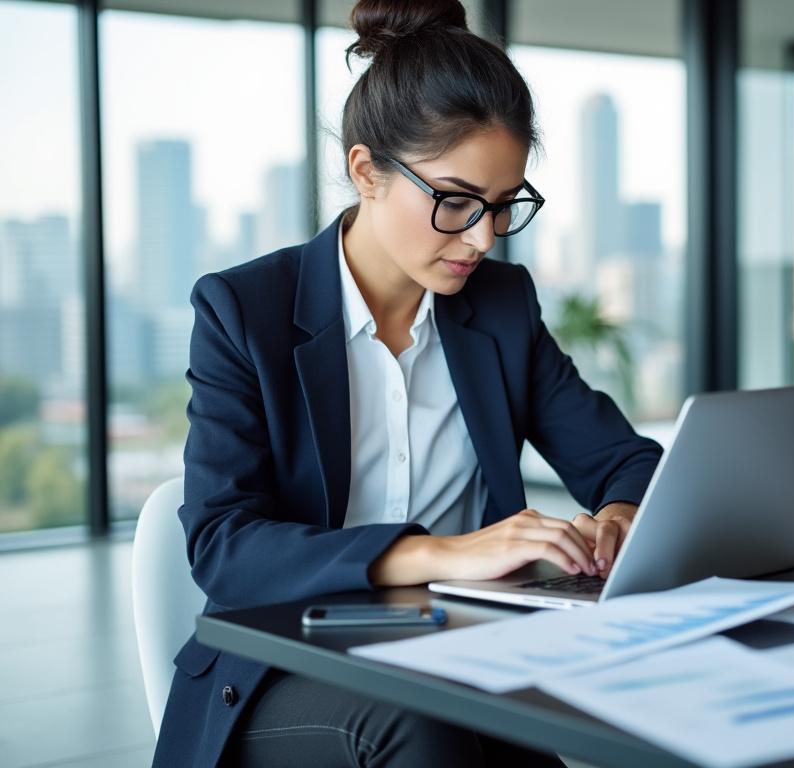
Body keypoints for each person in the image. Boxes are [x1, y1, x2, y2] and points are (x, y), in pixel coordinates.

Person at [151, 1, 663, 765]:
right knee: (422, 722)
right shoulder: (244, 310)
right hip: (286, 668)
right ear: (367, 172)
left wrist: (618, 520)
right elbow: (226, 548)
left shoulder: (501, 308)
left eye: (503, 206)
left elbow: (625, 460)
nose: (483, 238)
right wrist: (443, 554)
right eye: (455, 201)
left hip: (462, 653)